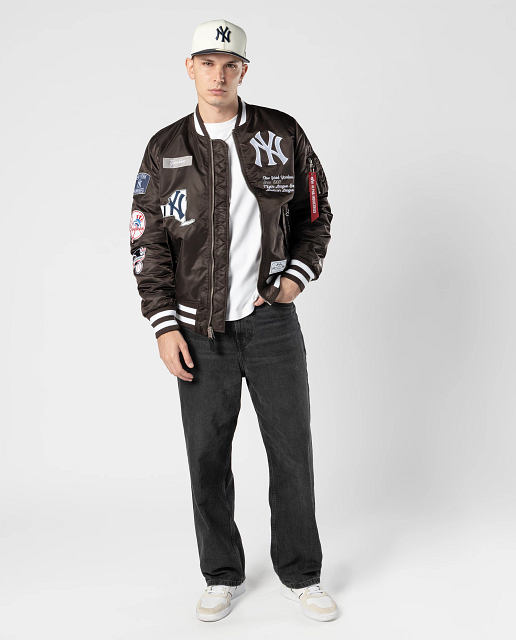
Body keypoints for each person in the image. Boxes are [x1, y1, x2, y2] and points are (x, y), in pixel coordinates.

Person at [129, 18, 338, 623]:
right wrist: (164, 324)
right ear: (189, 68)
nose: (217, 76)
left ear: (244, 71)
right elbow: (147, 240)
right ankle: (221, 574)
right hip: (197, 331)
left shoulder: (282, 133)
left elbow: (316, 212)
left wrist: (295, 277)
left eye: (229, 65)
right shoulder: (164, 148)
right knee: (206, 457)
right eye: (207, 63)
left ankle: (301, 574)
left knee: (292, 451)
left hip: (271, 326)